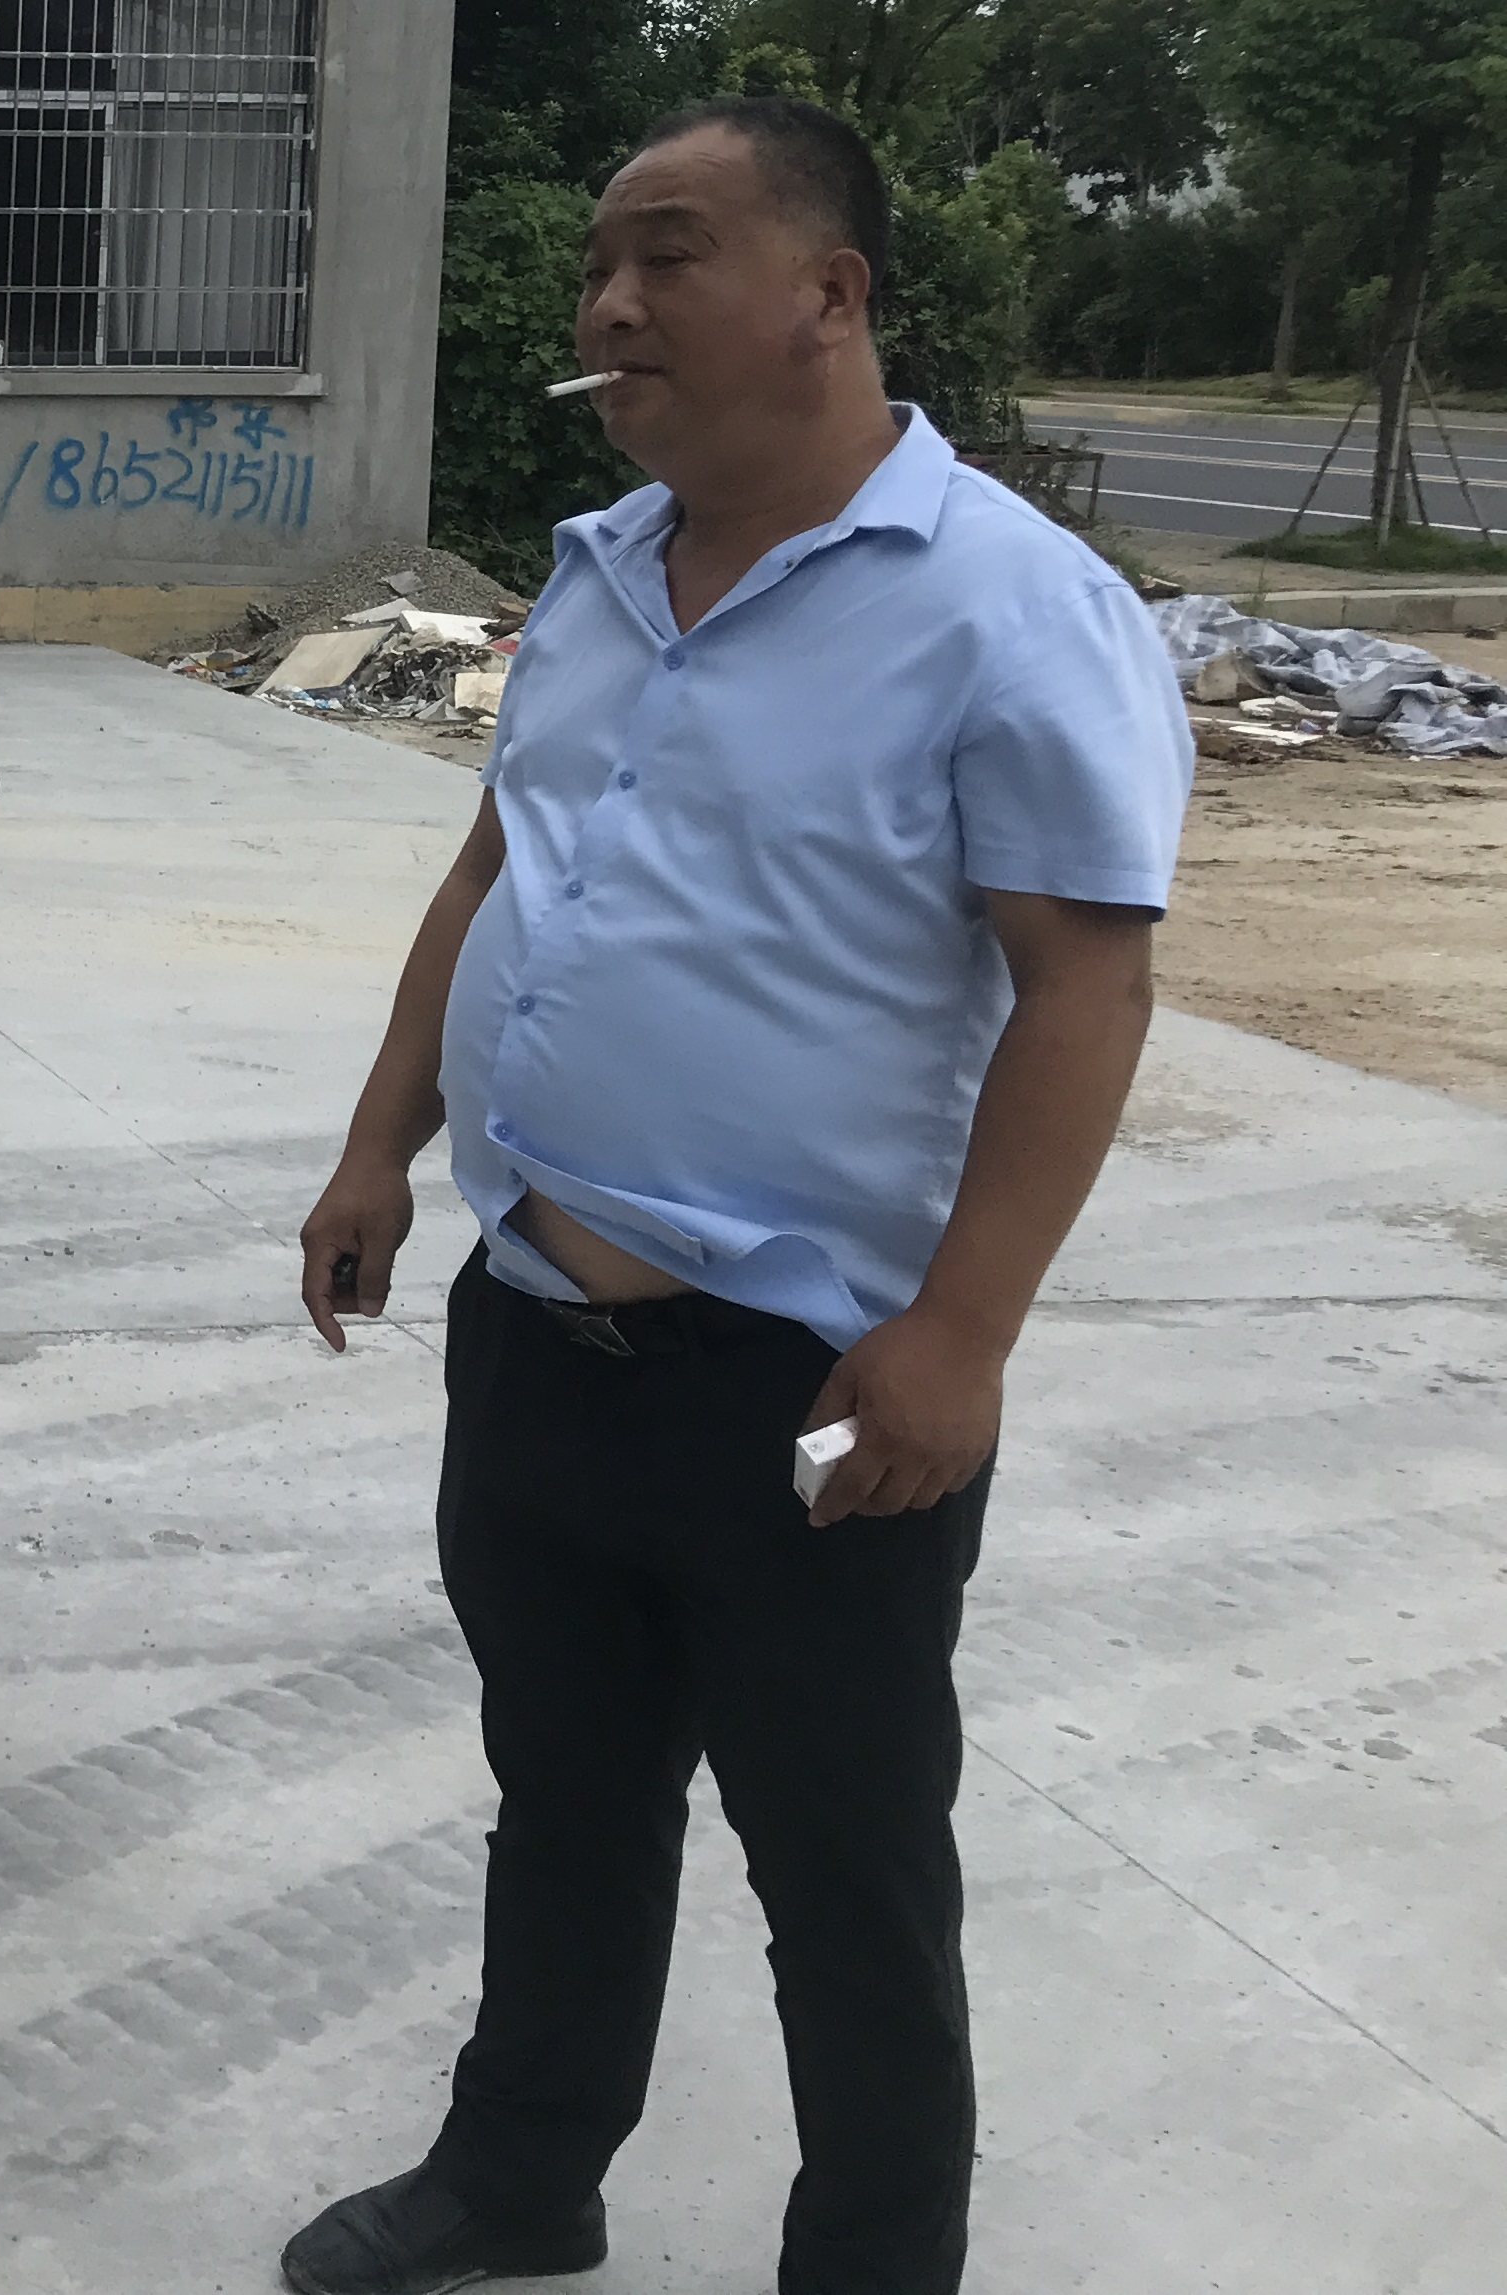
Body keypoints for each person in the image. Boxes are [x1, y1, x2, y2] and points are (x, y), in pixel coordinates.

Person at [283, 97, 1190, 2295]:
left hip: (803, 1381)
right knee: (564, 1798)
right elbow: (496, 868)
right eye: (598, 264)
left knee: (844, 1873)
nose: (608, 302)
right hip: (533, 1321)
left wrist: (960, 1333)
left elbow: (1083, 983)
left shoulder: (1005, 610)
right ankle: (523, 2175)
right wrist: (381, 1141)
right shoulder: (598, 568)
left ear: (827, 293)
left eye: (666, 253)